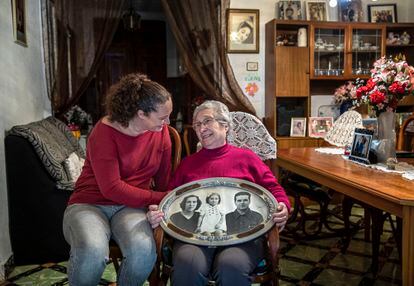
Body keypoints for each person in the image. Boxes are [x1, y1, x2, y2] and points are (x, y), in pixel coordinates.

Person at [147, 100, 290, 286]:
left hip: (243, 236)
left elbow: (274, 189)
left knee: (231, 266)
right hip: (194, 237)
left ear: (225, 125)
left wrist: (282, 206)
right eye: (197, 124)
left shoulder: (247, 158)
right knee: (188, 264)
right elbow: (171, 199)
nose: (201, 128)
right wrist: (157, 212)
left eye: (207, 121)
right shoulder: (188, 164)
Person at [62, 73, 173, 286]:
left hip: (131, 207)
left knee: (143, 251)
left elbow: (163, 180)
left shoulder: (161, 132)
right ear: (141, 113)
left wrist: (158, 205)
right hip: (89, 204)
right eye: (162, 117)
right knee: (93, 250)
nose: (167, 122)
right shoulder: (103, 133)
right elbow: (112, 189)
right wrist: (161, 196)